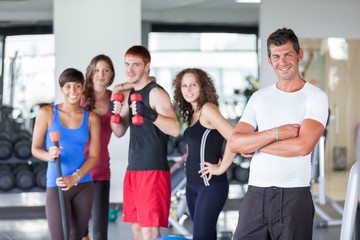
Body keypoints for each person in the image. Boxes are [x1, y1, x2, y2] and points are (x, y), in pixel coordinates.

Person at [229, 28, 329, 240]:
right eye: (276, 56)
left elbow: (302, 147)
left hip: (294, 196)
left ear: (299, 55)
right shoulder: (259, 97)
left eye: (288, 54)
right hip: (255, 195)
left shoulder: (315, 97)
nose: (282, 62)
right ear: (269, 60)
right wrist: (277, 133)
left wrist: (255, 144)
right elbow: (235, 142)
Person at [110, 45, 180, 240]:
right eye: (127, 64)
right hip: (133, 167)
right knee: (137, 228)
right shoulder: (131, 94)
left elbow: (175, 129)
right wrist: (113, 113)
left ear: (147, 66)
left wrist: (150, 113)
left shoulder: (156, 93)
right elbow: (118, 131)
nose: (129, 70)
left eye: (136, 65)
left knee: (149, 229)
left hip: (153, 169)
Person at [31, 68, 101, 240]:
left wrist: (75, 177)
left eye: (77, 86)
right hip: (57, 184)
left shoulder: (91, 118)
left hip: (83, 184)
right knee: (59, 237)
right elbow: (35, 149)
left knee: (77, 236)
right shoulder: (47, 113)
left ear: (83, 87)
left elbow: (94, 157)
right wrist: (49, 155)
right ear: (61, 89)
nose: (73, 91)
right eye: (68, 86)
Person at [172, 68, 236, 240]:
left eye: (193, 84)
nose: (188, 89)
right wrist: (188, 159)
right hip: (192, 186)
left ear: (203, 87)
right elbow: (196, 143)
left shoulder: (208, 109)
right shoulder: (193, 114)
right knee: (205, 236)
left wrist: (222, 167)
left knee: (201, 237)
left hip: (210, 186)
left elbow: (234, 137)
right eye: (184, 86)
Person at [81, 54, 115, 240]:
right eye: (96, 70)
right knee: (80, 228)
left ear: (111, 74)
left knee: (100, 230)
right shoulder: (79, 96)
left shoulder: (115, 97)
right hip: (78, 167)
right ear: (90, 73)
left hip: (101, 167)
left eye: (106, 70)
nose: (101, 74)